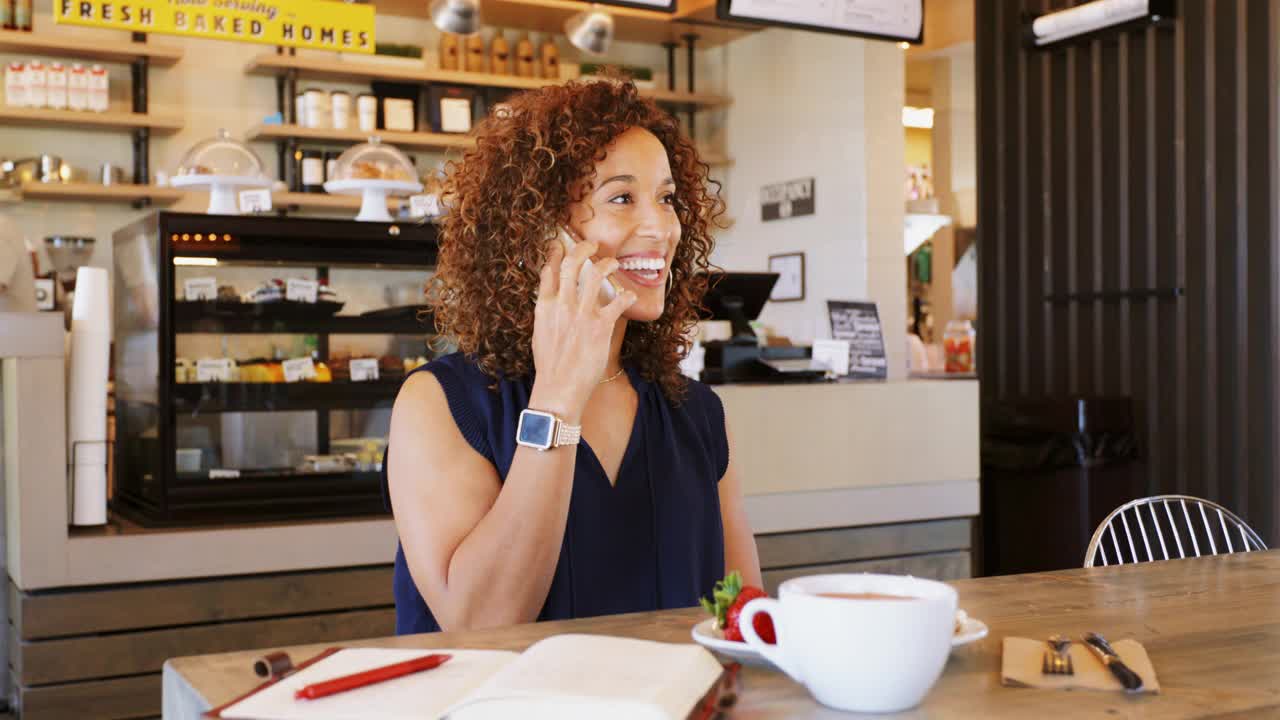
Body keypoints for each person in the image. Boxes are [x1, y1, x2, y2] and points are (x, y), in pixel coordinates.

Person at [385, 77, 762, 634]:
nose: (660, 227)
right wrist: (560, 397)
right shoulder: (440, 403)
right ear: (539, 231)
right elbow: (481, 620)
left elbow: (744, 620)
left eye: (666, 198)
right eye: (621, 198)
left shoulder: (697, 413)